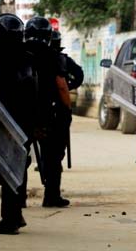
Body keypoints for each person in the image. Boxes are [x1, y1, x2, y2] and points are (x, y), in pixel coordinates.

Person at [0, 13, 38, 234]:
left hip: (5, 125)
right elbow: (37, 93)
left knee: (6, 171)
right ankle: (15, 214)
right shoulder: (30, 59)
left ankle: (10, 219)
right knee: (18, 167)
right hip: (25, 125)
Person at [25, 17, 72, 208]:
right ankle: (51, 196)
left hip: (23, 113)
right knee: (52, 157)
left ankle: (18, 198)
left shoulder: (18, 54)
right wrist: (67, 108)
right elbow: (61, 85)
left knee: (21, 157)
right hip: (49, 113)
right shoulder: (53, 55)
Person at [50, 30, 84, 172]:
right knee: (60, 135)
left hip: (49, 104)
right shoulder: (61, 59)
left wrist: (68, 86)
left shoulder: (62, 60)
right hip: (57, 105)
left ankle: (53, 160)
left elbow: (78, 75)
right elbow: (79, 75)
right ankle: (54, 160)